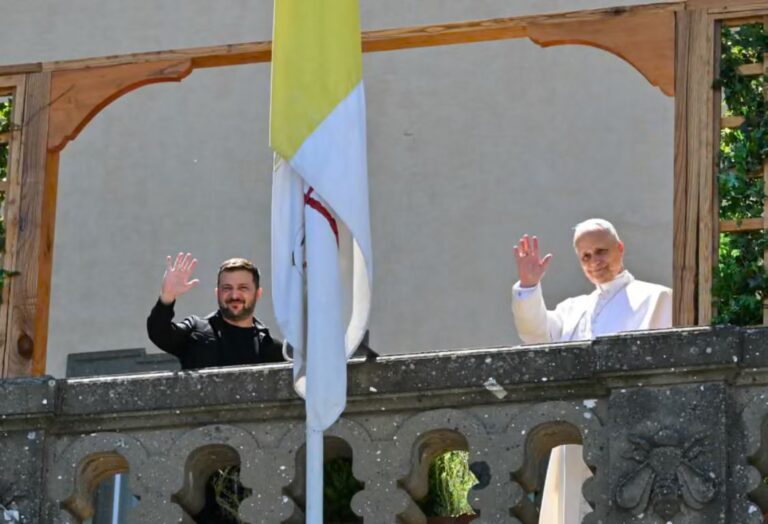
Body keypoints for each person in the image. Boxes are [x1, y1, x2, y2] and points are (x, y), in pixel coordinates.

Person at [511, 218, 672, 524]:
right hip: (577, 437)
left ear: (619, 249)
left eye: (601, 251)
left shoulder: (658, 298)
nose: (594, 262)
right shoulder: (573, 308)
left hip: (634, 433)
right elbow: (536, 335)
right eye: (586, 256)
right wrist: (529, 286)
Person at [147, 253, 285, 370]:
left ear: (258, 293)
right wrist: (167, 297)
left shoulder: (272, 349)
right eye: (227, 288)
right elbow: (160, 334)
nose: (234, 295)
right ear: (217, 293)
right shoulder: (196, 331)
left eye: (243, 288)